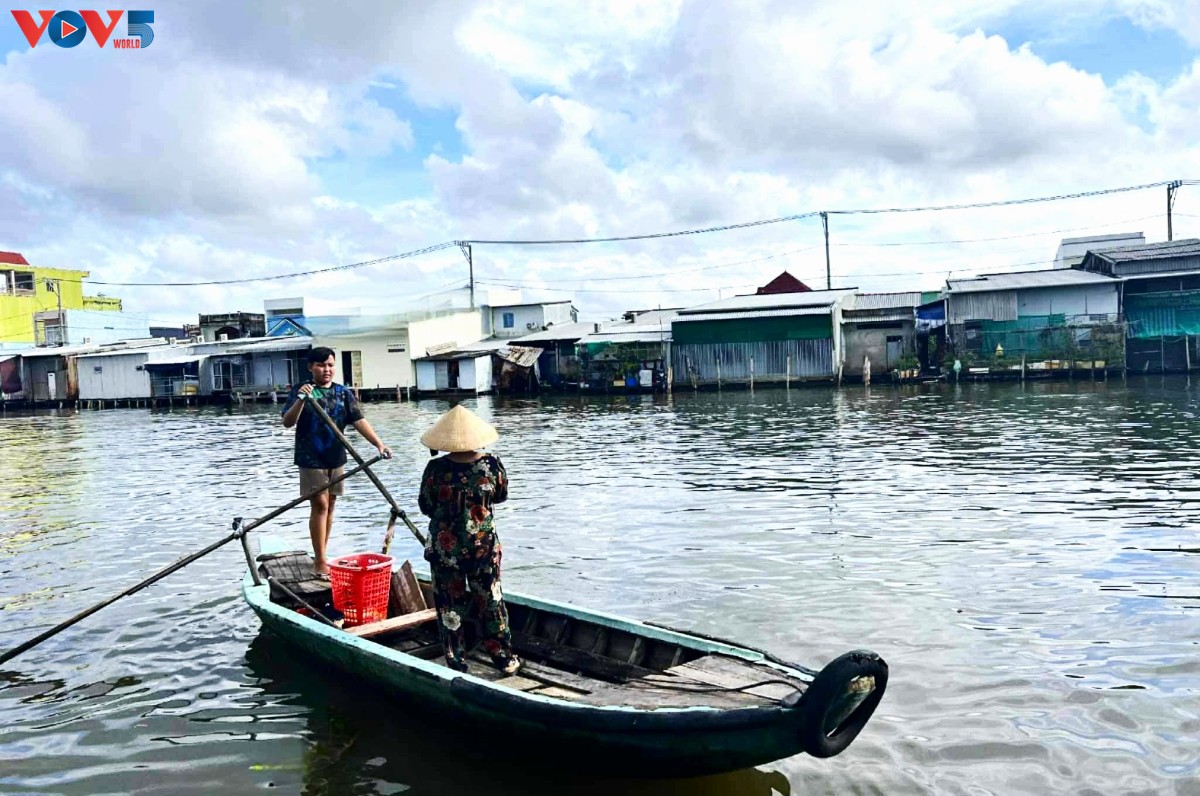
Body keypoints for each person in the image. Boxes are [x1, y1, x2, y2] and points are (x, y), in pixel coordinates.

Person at [417, 405, 519, 675]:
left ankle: (456, 658)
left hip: (445, 549)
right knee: (491, 600)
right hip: (483, 546)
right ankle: (503, 656)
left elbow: (425, 505)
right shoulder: (492, 465)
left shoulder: (435, 469)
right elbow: (501, 496)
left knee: (450, 604)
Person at [282, 347, 391, 575]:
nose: (326, 369)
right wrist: (301, 399)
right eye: (321, 365)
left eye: (330, 365)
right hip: (311, 457)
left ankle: (321, 552)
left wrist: (379, 444)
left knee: (330, 505)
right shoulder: (301, 390)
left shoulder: (342, 393)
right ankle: (321, 561)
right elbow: (288, 422)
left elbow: (358, 421)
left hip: (336, 456)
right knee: (320, 505)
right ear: (310, 367)